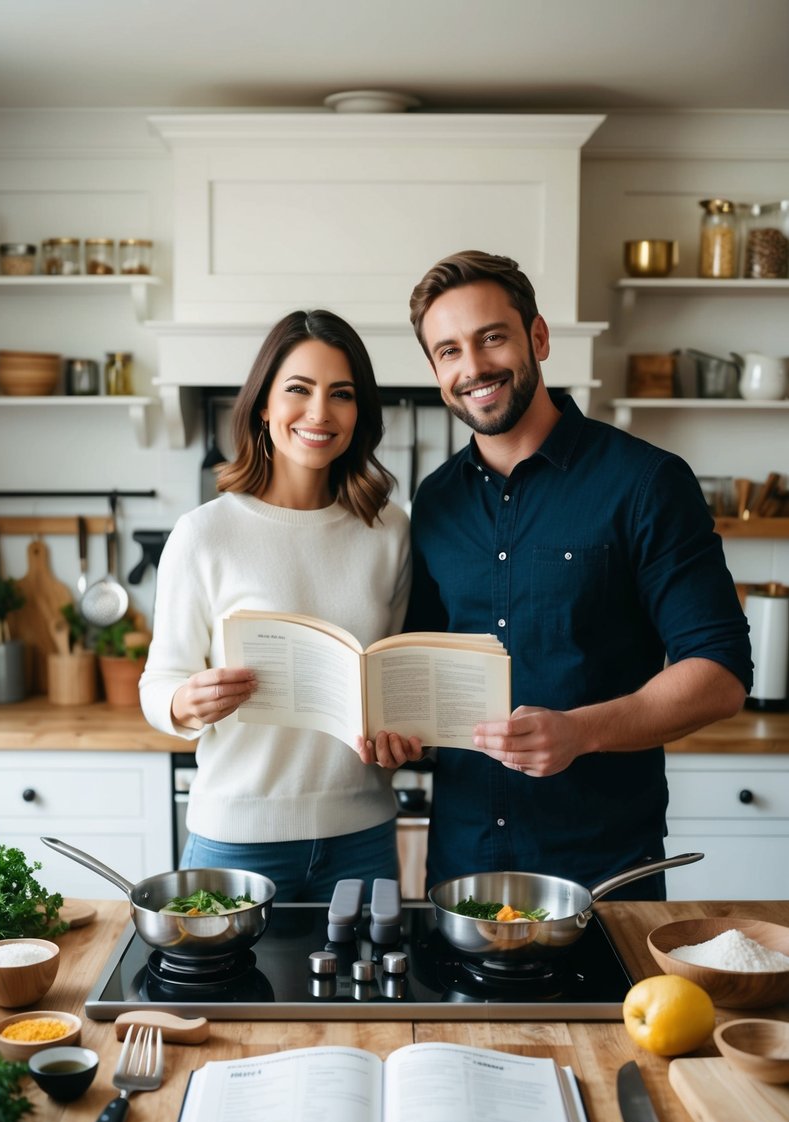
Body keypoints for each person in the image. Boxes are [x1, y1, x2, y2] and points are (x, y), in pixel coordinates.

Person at [362, 249, 752, 899]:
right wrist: (398, 733)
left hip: (604, 871)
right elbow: (422, 671)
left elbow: (720, 674)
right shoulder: (433, 501)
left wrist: (581, 731)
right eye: (450, 351)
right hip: (463, 868)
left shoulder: (646, 482)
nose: (474, 367)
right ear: (435, 371)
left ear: (536, 337)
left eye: (492, 338)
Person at [140, 309, 418, 901]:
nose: (319, 413)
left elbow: (390, 684)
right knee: (228, 997)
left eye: (341, 394)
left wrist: (401, 731)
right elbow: (158, 682)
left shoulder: (389, 530)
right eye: (298, 389)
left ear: (358, 414)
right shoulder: (203, 534)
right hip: (234, 837)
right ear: (263, 405)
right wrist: (183, 701)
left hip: (362, 836)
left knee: (361, 996)